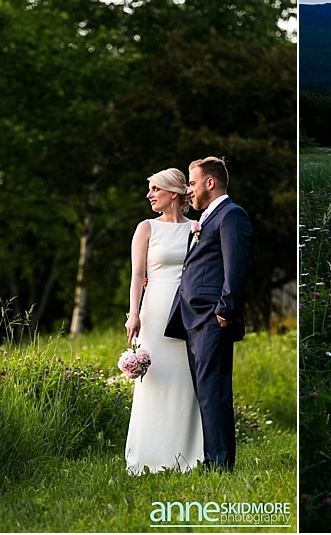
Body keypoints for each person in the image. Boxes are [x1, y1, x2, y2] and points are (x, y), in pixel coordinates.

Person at [165, 156, 252, 472]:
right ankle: (212, 458)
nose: (189, 190)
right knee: (207, 392)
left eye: (192, 183)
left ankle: (219, 464)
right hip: (196, 318)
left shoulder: (231, 215)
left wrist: (224, 311)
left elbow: (236, 266)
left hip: (212, 318)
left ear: (210, 182)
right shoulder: (210, 217)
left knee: (214, 392)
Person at [123, 169, 205, 475]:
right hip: (155, 312)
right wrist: (133, 314)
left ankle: (187, 453)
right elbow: (137, 275)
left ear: (173, 193)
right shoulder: (146, 228)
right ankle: (149, 454)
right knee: (155, 381)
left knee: (186, 380)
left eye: (156, 189)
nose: (150, 195)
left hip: (187, 311)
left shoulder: (196, 228)